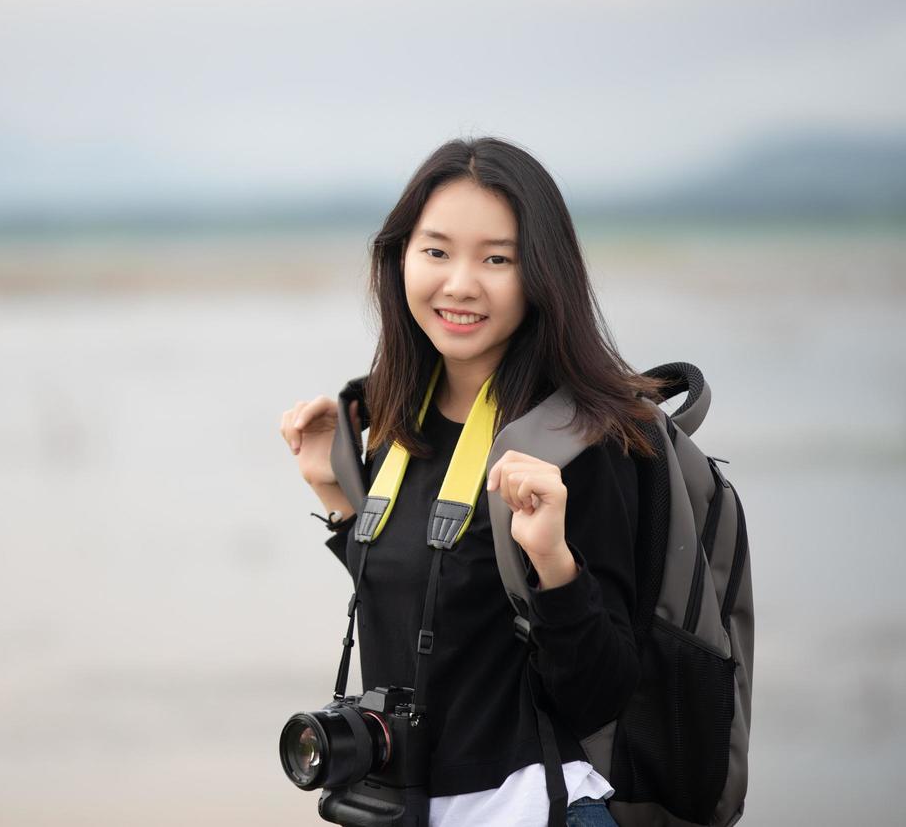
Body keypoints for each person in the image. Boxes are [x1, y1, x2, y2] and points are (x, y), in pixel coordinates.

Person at [278, 137, 669, 827]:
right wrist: (338, 500)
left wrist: (553, 560)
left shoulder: (582, 439)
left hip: (532, 807)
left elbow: (600, 696)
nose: (460, 283)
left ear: (542, 276)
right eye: (436, 252)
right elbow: (434, 609)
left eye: (497, 259)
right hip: (405, 807)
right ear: (398, 257)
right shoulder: (401, 423)